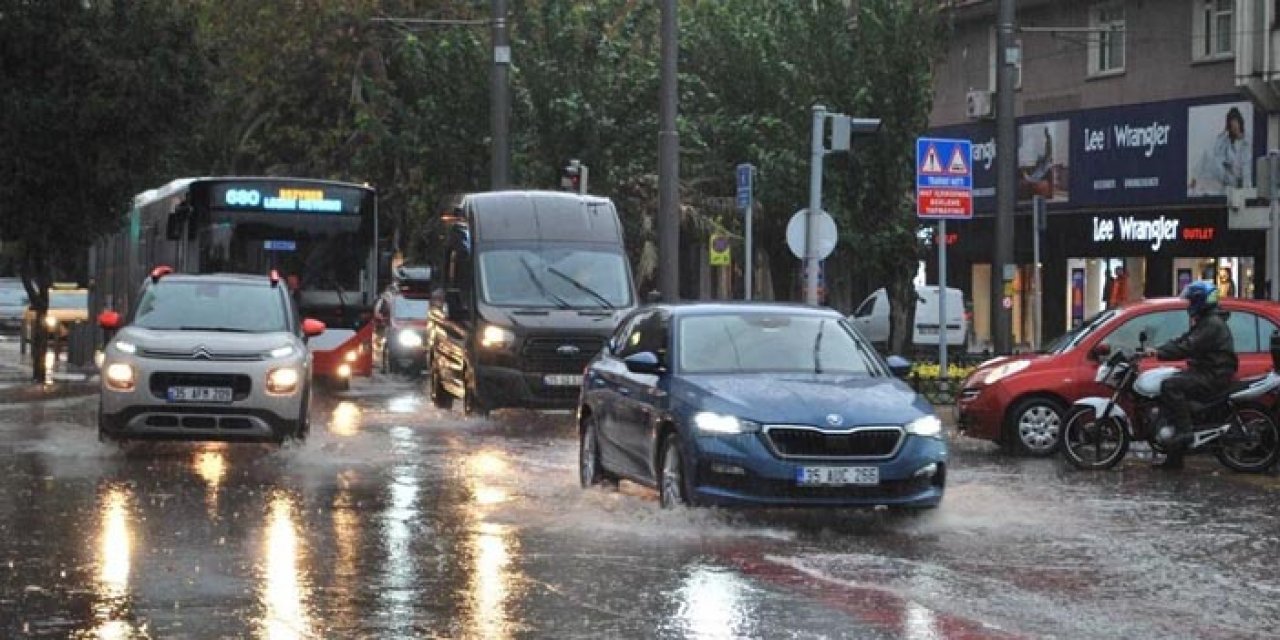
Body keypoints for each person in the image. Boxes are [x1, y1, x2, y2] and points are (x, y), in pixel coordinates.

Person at [1143, 281, 1238, 469]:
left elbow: (1188, 346)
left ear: (1199, 301)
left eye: (1191, 301)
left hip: (1212, 375)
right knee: (1173, 385)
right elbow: (1185, 339)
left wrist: (1160, 353)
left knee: (1170, 385)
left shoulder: (1212, 324)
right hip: (1208, 371)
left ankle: (1185, 432)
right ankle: (1174, 459)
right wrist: (1159, 348)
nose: (1188, 305)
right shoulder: (1207, 321)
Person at [1189, 107, 1250, 196]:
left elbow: (1245, 168)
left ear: (1240, 123)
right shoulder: (1226, 139)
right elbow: (1216, 154)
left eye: (1236, 124)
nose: (1234, 128)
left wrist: (1246, 191)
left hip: (1236, 179)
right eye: (1232, 126)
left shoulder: (1245, 142)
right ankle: (1194, 181)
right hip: (1224, 174)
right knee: (1207, 154)